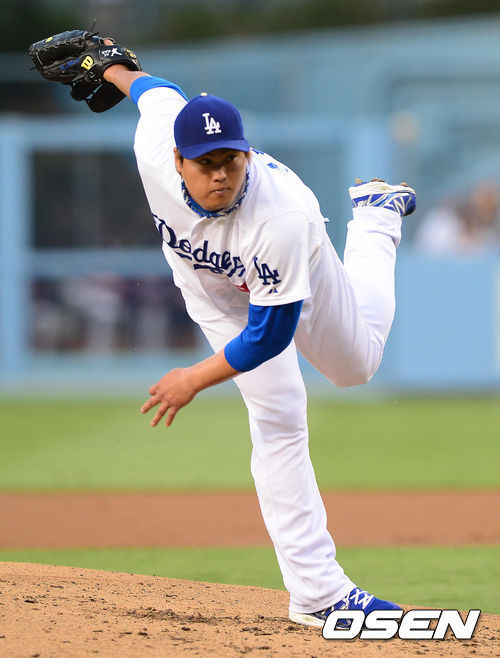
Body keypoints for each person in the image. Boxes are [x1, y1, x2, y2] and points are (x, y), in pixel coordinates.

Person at [33, 34, 416, 627]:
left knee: (356, 368)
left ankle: (374, 218)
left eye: (230, 160)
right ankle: (319, 593)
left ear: (247, 156)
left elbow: (270, 335)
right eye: (205, 163)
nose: (220, 175)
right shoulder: (154, 145)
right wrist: (113, 66)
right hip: (215, 297)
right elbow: (156, 92)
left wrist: (193, 378)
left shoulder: (281, 218)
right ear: (177, 160)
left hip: (294, 270)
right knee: (280, 416)